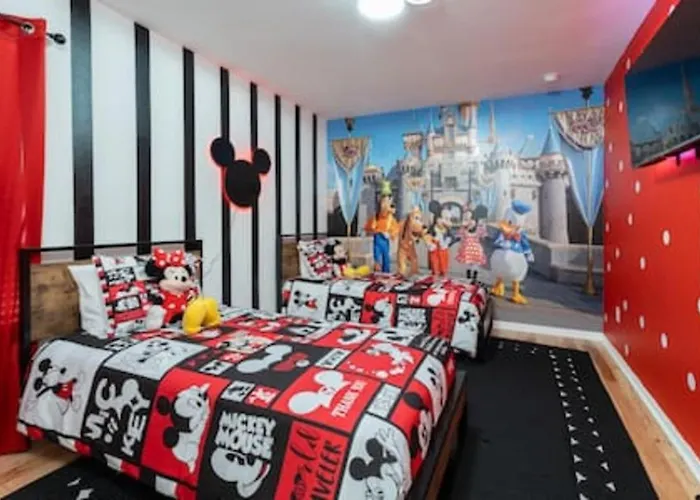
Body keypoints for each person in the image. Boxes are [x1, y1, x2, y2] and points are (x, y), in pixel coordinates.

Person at [455, 205, 488, 283]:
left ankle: (473, 279)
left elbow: (484, 236)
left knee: (474, 265)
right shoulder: (464, 229)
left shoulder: (479, 229)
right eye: (467, 219)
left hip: (474, 250)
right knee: (470, 265)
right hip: (469, 250)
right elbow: (459, 236)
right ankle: (470, 279)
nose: (470, 222)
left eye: (471, 219)